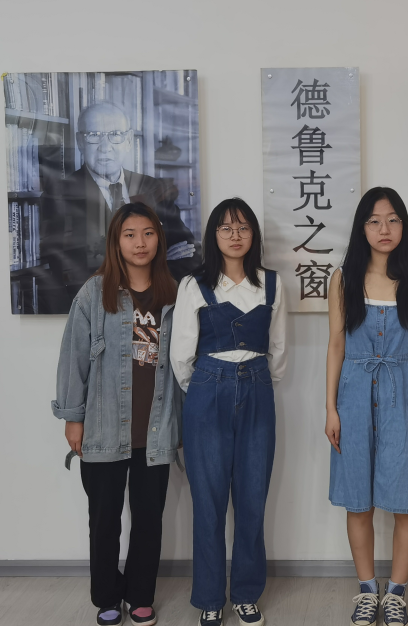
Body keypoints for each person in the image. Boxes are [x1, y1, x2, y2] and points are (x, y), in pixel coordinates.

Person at [52, 201, 182, 626]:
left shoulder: (175, 293)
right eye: (130, 235)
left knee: (148, 520)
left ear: (159, 238)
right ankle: (107, 597)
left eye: (148, 233)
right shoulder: (95, 293)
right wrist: (73, 418)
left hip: (155, 430)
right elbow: (73, 358)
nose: (140, 242)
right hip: (104, 427)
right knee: (104, 519)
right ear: (116, 241)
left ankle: (141, 595)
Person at [325, 187, 408, 626]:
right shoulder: (343, 279)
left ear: (404, 226)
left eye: (393, 219)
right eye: (374, 221)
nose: (384, 229)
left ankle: (396, 593)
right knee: (358, 500)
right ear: (362, 228)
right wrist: (330, 407)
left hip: (406, 396)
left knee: (405, 500)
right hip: (353, 394)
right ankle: (366, 591)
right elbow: (336, 346)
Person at [169, 198, 287, 626]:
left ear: (253, 234)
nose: (235, 235)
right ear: (213, 236)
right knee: (209, 501)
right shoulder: (193, 285)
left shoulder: (271, 283)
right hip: (206, 392)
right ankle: (209, 598)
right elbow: (181, 356)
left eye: (242, 227)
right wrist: (208, 387)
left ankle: (246, 594)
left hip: (257, 389)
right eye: (225, 228)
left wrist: (254, 381)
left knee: (253, 498)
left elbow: (278, 351)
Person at [44, 100, 198, 308]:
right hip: (97, 309)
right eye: (94, 135)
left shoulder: (151, 186)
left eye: (115, 134)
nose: (105, 147)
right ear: (80, 141)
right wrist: (155, 262)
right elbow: (63, 270)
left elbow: (187, 252)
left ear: (128, 140)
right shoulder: (59, 194)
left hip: (153, 306)